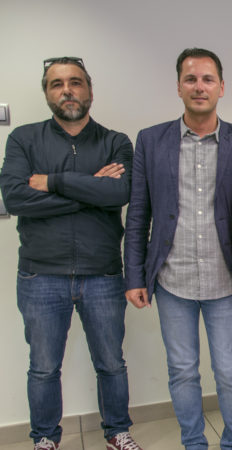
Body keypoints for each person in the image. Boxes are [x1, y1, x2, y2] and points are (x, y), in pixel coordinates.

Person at [123, 48, 232, 450]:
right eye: (191, 79)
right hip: (173, 281)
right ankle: (194, 444)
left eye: (207, 79)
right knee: (183, 371)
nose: (199, 87)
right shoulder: (151, 141)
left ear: (221, 87)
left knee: (231, 372)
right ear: (179, 87)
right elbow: (139, 214)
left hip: (227, 281)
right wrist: (134, 276)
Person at [0, 57, 141, 450]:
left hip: (103, 273)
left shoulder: (115, 142)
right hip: (40, 275)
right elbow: (16, 198)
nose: (67, 91)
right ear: (47, 93)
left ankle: (117, 432)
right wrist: (90, 189)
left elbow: (119, 193)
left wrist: (54, 182)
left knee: (111, 363)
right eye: (57, 84)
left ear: (89, 89)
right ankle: (45, 438)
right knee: (44, 368)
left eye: (75, 82)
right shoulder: (24, 140)